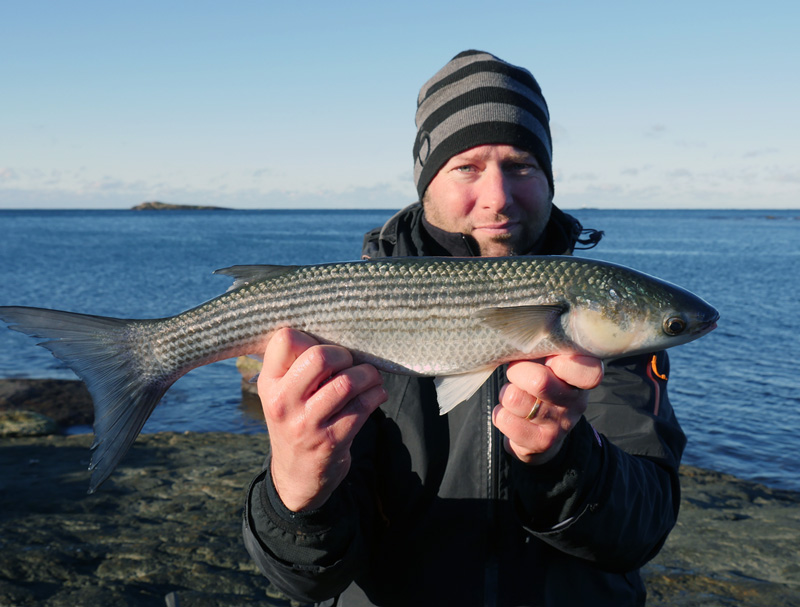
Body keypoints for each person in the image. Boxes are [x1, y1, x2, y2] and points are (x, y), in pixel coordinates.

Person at [242, 50, 686, 606]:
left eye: (521, 164)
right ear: (425, 181)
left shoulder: (605, 336)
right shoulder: (349, 318)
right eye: (467, 166)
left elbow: (641, 531)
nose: (498, 197)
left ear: (549, 179)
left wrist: (566, 461)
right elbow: (308, 581)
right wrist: (296, 492)